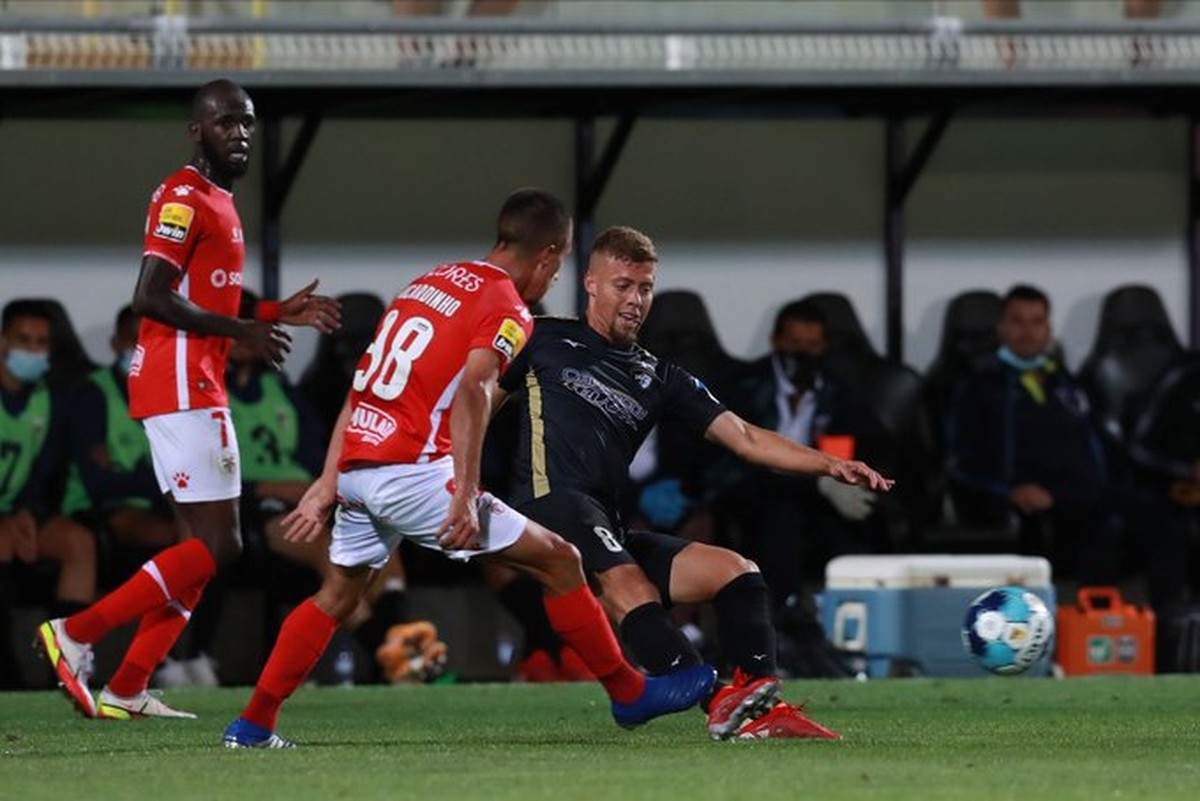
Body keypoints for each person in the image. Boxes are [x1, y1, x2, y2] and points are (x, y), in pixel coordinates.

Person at [222, 189, 715, 749]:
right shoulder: (506, 306)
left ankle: (254, 723)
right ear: (550, 255)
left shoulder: (426, 284)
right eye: (557, 269)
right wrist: (465, 492)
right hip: (415, 473)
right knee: (561, 560)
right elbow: (476, 392)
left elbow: (363, 388)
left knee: (337, 594)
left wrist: (328, 483)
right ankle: (629, 693)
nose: (552, 282)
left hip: (361, 465)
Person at [495, 226, 892, 740]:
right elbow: (480, 395)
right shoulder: (540, 336)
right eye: (623, 285)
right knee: (627, 581)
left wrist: (827, 463)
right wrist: (450, 473)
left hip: (604, 520)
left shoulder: (659, 376)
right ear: (591, 283)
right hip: (547, 504)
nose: (635, 300)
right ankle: (703, 690)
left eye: (645, 288)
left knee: (735, 571)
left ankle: (755, 709)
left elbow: (746, 437)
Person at [35, 78, 341, 720]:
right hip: (180, 385)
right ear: (197, 131)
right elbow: (151, 295)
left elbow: (210, 295)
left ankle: (127, 686)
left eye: (249, 123)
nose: (241, 134)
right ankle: (79, 632)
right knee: (222, 546)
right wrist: (243, 331)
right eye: (226, 122)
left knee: (203, 550)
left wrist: (268, 310)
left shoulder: (218, 201)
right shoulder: (182, 196)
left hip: (193, 381)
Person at [720, 299, 881, 677]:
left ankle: (845, 639)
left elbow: (861, 444)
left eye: (811, 346)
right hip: (751, 492)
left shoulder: (839, 393)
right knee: (780, 513)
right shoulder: (742, 387)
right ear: (776, 341)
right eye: (794, 343)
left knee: (856, 522)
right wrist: (817, 482)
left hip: (816, 500)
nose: (802, 355)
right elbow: (727, 462)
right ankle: (776, 628)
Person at [945, 284, 1120, 585]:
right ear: (1001, 328)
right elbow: (958, 460)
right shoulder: (978, 386)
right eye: (1017, 320)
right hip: (1015, 497)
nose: (1027, 331)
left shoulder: (1068, 383)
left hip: (1074, 495)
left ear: (1048, 330)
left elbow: (1100, 450)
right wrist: (1008, 491)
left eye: (1036, 322)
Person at [0, 300, 98, 688]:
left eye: (41, 343)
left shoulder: (49, 400)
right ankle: (7, 673)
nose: (32, 350)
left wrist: (26, 512)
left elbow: (43, 471)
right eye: (23, 340)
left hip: (18, 511)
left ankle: (66, 668)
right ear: (3, 341)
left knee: (79, 542)